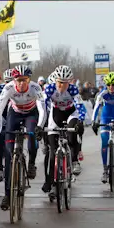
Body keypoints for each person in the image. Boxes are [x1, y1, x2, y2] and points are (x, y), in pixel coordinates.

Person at [0, 65, 46, 210]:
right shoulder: (8, 88)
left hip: (31, 113)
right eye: (19, 80)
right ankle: (7, 194)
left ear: (29, 80)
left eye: (25, 80)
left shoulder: (36, 88)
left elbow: (42, 109)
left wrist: (40, 126)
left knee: (32, 136)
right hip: (15, 113)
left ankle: (31, 163)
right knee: (8, 154)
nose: (22, 83)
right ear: (14, 80)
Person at [42, 65, 86, 195]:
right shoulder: (49, 88)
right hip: (55, 114)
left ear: (69, 82)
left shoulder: (73, 90)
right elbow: (43, 106)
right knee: (52, 151)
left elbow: (80, 106)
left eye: (65, 83)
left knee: (72, 133)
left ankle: (74, 159)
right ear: (56, 81)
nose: (62, 86)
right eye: (60, 83)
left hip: (70, 113)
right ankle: (50, 181)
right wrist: (41, 124)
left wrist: (80, 121)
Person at [91, 72, 114, 184]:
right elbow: (96, 108)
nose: (111, 87)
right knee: (104, 142)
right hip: (105, 117)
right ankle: (105, 170)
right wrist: (93, 121)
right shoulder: (103, 94)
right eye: (109, 85)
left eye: (113, 85)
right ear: (106, 85)